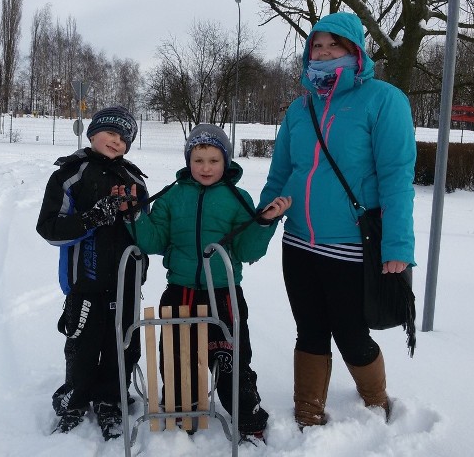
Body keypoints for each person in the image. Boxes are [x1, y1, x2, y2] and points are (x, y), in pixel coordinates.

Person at [258, 12, 416, 427]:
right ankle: (308, 408)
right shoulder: (300, 106)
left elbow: (397, 176)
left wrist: (398, 245)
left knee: (350, 333)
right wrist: (262, 218)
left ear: (355, 50)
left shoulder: (384, 100)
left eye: (334, 45)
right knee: (309, 329)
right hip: (298, 242)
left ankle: (376, 398)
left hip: (350, 245)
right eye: (317, 45)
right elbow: (282, 172)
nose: (324, 52)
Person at [123, 124, 292, 442]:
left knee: (232, 358)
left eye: (213, 160)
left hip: (224, 294)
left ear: (225, 161)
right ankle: (182, 409)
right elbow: (154, 239)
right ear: (188, 160)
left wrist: (265, 223)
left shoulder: (237, 197)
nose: (205, 167)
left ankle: (248, 417)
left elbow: (247, 250)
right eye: (198, 159)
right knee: (177, 357)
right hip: (180, 292)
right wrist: (135, 218)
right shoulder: (173, 196)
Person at [36, 105, 149, 440]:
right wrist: (90, 219)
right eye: (110, 132)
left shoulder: (134, 181)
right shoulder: (70, 174)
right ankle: (75, 399)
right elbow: (50, 228)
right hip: (83, 283)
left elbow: (147, 234)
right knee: (82, 345)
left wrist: (133, 216)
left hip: (124, 285)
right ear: (92, 133)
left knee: (122, 345)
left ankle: (111, 400)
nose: (115, 141)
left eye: (123, 137)